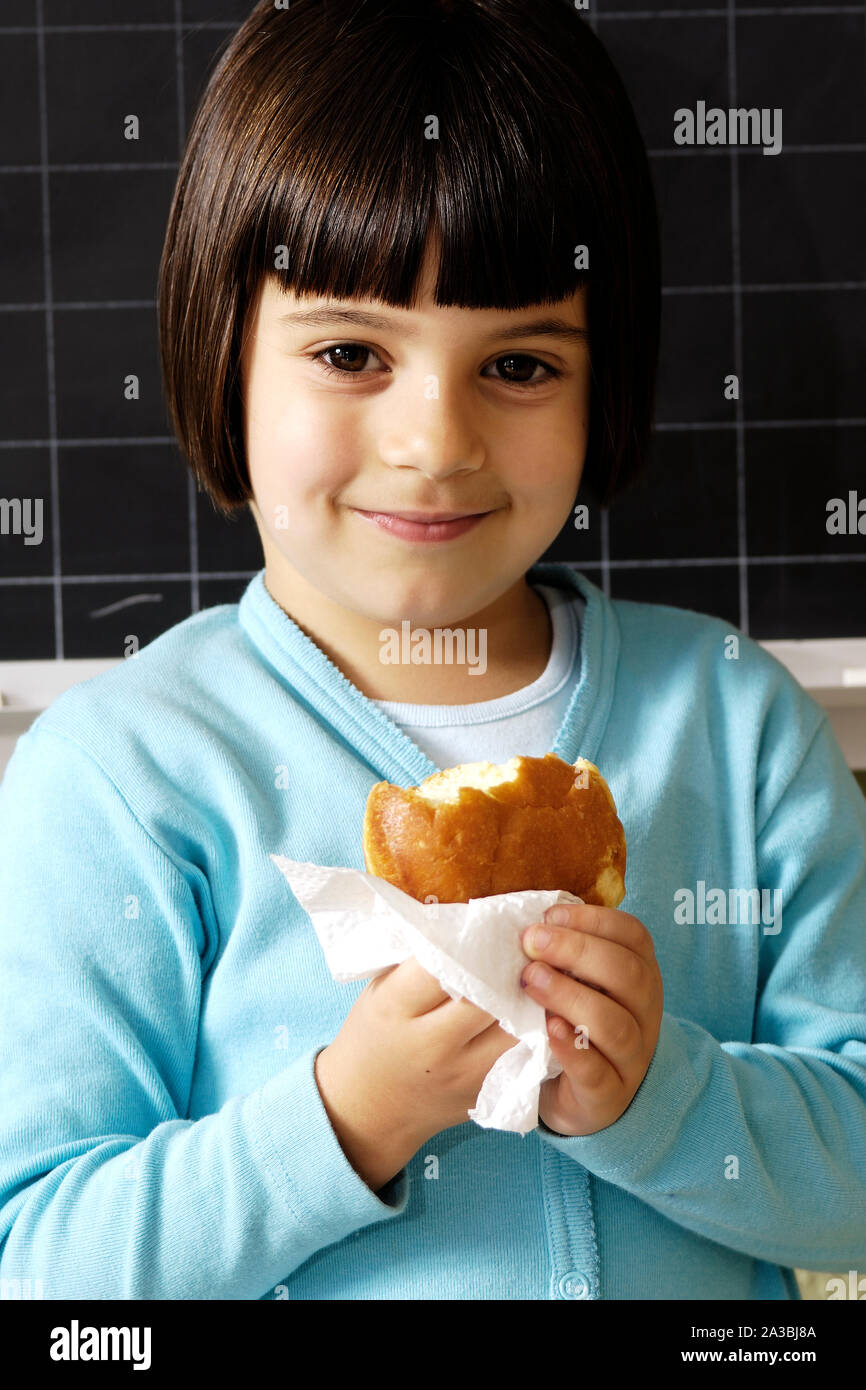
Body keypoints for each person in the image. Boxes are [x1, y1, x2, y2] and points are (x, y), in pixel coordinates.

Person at [1, 0, 864, 1302]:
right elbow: (38, 1259)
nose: (434, 440)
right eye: (349, 351)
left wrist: (659, 1094)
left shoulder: (736, 727)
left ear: (603, 378)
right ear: (222, 350)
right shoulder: (121, 775)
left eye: (517, 363)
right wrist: (348, 1117)